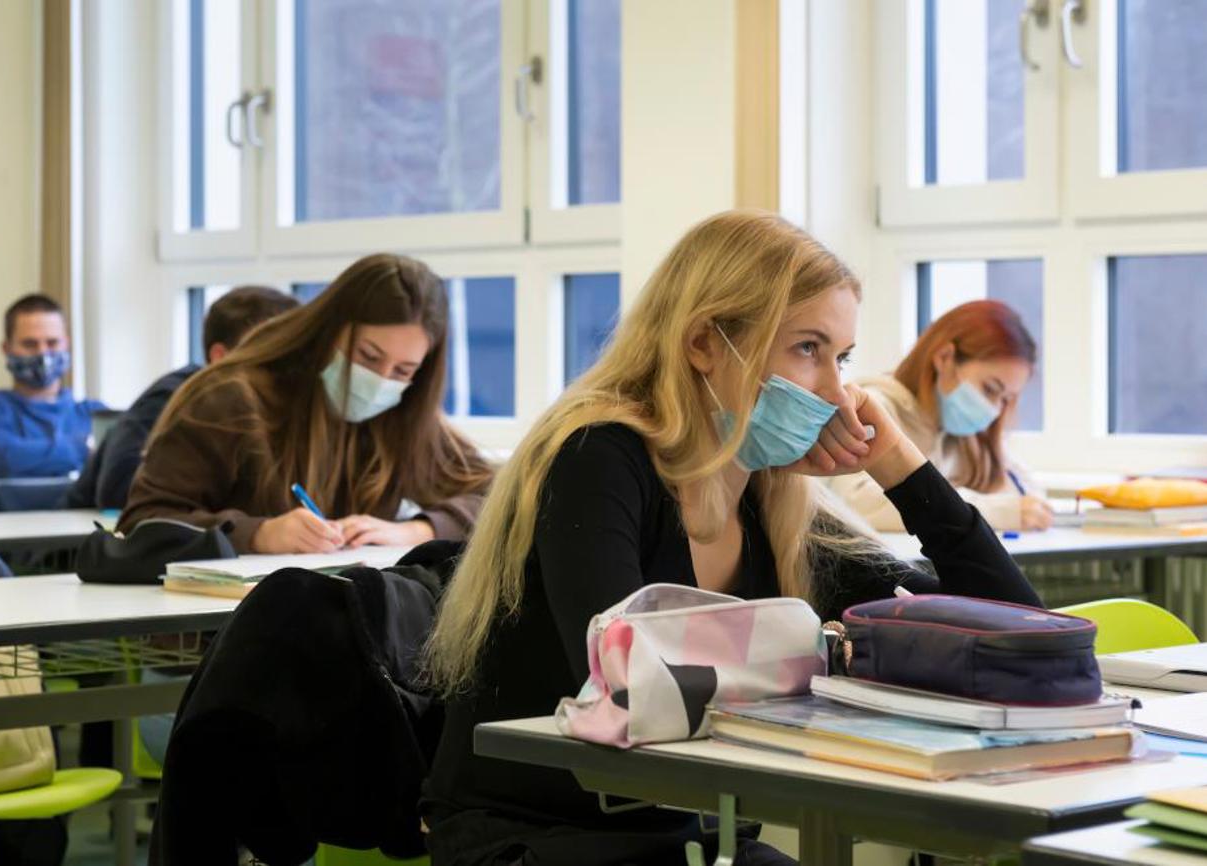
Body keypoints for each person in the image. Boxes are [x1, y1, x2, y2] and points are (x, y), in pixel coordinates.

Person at [422, 211, 1042, 866]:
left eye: (843, 357)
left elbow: (1020, 638)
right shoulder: (597, 457)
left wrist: (903, 468)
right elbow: (630, 689)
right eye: (807, 349)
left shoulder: (776, 497)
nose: (836, 391)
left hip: (686, 835)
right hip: (534, 833)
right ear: (704, 344)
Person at [118, 253, 494, 553]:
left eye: (402, 370)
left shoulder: (403, 414)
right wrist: (258, 533)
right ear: (329, 331)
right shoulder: (232, 397)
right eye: (367, 356)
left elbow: (498, 498)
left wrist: (418, 529)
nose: (380, 380)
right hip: (215, 631)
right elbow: (142, 523)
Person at [64, 286, 299, 510]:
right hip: (76, 543)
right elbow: (118, 489)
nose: (283, 365)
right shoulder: (174, 397)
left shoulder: (278, 408)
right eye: (267, 350)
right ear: (220, 356)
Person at [826, 299, 1049, 533]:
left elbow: (1029, 499)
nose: (993, 410)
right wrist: (996, 512)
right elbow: (859, 504)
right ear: (944, 358)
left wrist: (1016, 509)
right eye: (990, 389)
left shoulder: (960, 435)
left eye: (1005, 399)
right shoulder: (874, 409)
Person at [0, 294, 105, 479]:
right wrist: (84, 448)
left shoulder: (95, 414)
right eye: (30, 344)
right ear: (7, 348)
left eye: (52, 343)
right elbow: (3, 460)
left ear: (66, 344)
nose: (43, 353)